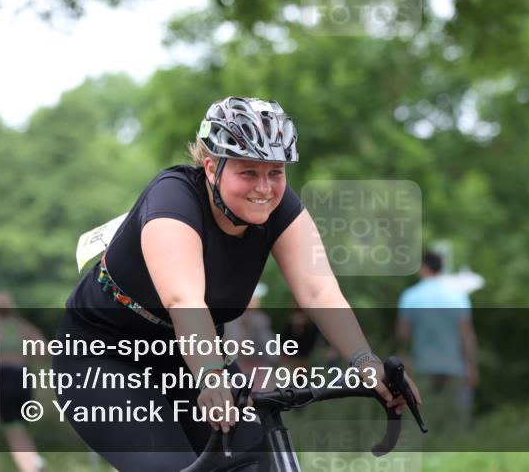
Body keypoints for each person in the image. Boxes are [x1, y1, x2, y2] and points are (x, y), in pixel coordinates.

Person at [54, 96, 420, 472]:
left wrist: (365, 361)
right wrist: (212, 374)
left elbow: (319, 291)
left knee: (256, 464)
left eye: (276, 172)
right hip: (104, 355)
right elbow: (184, 300)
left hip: (190, 355)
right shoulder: (172, 198)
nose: (264, 188)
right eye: (248, 172)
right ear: (212, 167)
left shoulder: (279, 206)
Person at [396, 251, 477, 430]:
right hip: (454, 365)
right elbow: (466, 335)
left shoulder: (410, 296)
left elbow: (402, 334)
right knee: (455, 422)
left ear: (424, 268)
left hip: (422, 364)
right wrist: (471, 366)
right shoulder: (458, 296)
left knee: (422, 418)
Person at [0, 291, 47, 472]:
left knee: (12, 430)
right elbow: (44, 350)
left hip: (4, 379)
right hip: (24, 377)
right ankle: (34, 460)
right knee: (20, 426)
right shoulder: (23, 327)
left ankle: (30, 467)